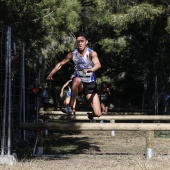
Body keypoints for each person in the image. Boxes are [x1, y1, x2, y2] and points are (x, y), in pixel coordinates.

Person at [47, 32, 101, 120]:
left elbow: (98, 64)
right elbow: (60, 64)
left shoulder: (91, 53)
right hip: (79, 83)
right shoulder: (72, 54)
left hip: (90, 83)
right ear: (76, 43)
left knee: (98, 113)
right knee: (76, 80)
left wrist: (91, 69)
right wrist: (50, 74)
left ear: (86, 42)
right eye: (78, 41)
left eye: (82, 41)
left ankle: (91, 115)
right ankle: (70, 107)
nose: (80, 43)